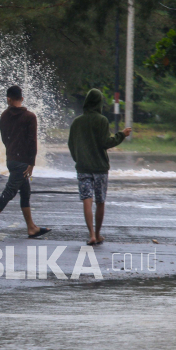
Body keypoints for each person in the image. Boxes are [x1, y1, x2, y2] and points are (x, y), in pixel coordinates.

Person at [0, 85, 51, 238]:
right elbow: (32, 141)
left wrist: (12, 151)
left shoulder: (4, 116)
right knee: (10, 191)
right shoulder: (30, 117)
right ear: (22, 99)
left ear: (8, 99)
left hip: (11, 159)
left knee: (25, 192)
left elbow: (4, 138)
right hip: (22, 162)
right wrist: (31, 163)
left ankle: (31, 227)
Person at [67, 88, 131, 246]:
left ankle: (91, 235)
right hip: (100, 168)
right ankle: (98, 233)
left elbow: (71, 144)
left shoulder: (77, 122)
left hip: (83, 168)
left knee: (86, 200)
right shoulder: (102, 120)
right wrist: (122, 134)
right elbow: (106, 142)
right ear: (99, 103)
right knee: (100, 201)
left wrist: (78, 159)